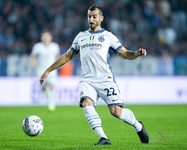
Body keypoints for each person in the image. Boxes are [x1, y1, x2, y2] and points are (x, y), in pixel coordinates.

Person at [40, 5, 149, 145]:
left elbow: (125, 53)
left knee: (116, 112)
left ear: (101, 18)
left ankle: (138, 125)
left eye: (94, 16)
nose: (91, 19)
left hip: (105, 79)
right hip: (87, 80)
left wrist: (136, 54)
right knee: (86, 102)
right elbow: (67, 56)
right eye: (89, 16)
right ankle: (103, 138)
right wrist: (48, 70)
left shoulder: (108, 36)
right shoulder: (81, 37)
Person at [30, 31, 60, 111]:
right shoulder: (37, 46)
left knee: (51, 86)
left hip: (51, 70)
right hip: (40, 70)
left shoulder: (55, 46)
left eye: (47, 37)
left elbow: (57, 57)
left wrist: (59, 64)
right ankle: (45, 90)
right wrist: (33, 62)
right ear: (41, 38)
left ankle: (52, 104)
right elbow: (32, 56)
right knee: (43, 87)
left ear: (51, 38)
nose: (46, 38)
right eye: (44, 37)